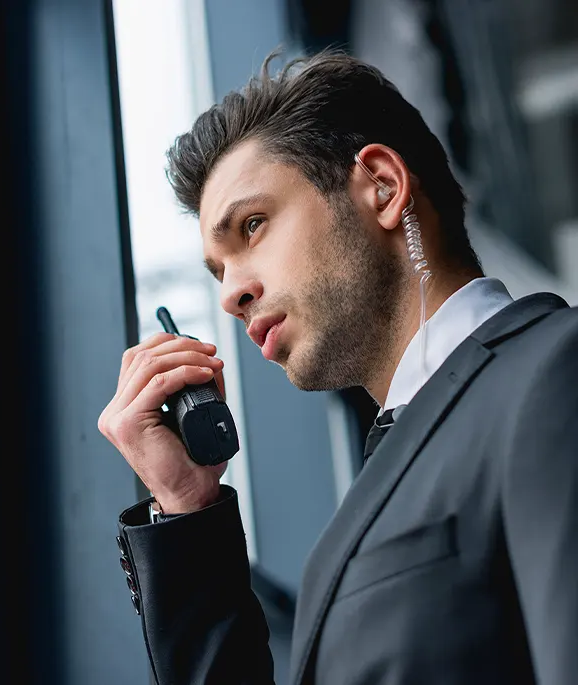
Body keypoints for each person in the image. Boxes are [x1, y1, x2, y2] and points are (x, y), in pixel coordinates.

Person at [97, 51, 578, 685]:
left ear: (382, 186)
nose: (229, 293)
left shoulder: (553, 373)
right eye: (218, 270)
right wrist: (187, 507)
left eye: (253, 225)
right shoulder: (392, 465)